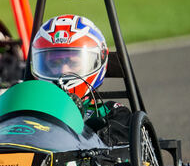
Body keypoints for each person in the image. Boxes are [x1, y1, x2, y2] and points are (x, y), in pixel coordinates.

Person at [30, 14, 130, 144]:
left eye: (73, 62)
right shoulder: (30, 110)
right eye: (55, 63)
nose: (64, 70)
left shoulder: (112, 113)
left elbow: (118, 156)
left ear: (98, 60)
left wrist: (87, 132)